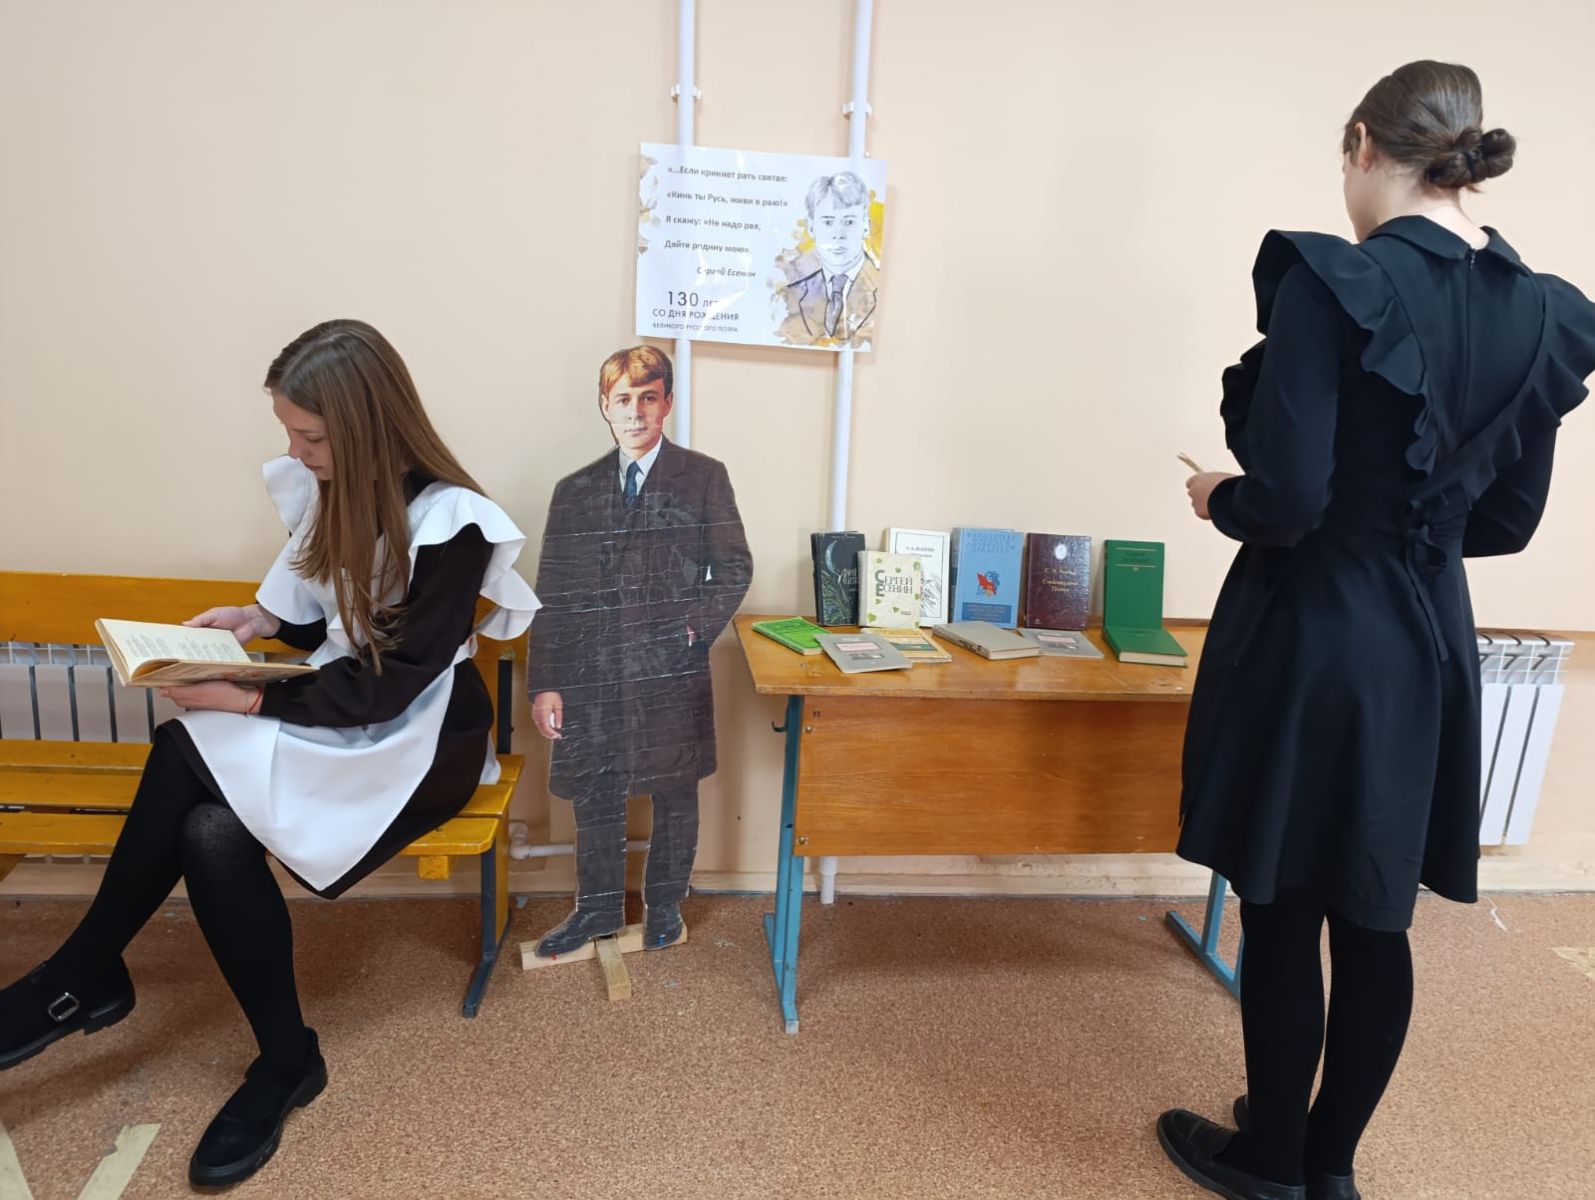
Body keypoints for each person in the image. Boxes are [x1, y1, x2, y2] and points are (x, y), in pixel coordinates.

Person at [1159, 62, 1595, 1200]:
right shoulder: (1545, 310)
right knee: (1373, 913)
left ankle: (1269, 1161)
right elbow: (1505, 523)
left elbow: (1287, 501)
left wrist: (1219, 496)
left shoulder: (1330, 278)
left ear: (1362, 143)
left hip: (1313, 635)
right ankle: (1330, 1167)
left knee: (1281, 905)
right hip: (1429, 642)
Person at [0, 320, 538, 1187]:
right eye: (290, 431)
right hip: (345, 706)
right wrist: (254, 622)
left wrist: (249, 696)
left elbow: (396, 681)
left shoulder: (454, 523)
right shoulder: (335, 488)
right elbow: (320, 612)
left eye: (310, 436)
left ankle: (82, 975)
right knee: (209, 831)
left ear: (368, 426)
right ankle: (284, 1058)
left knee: (184, 746)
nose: (295, 451)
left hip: (423, 738)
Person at [528, 345, 752, 957]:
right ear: (605, 406)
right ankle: (597, 910)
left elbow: (734, 567)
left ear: (667, 403)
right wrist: (546, 683)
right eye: (623, 400)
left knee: (674, 792)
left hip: (669, 668)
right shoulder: (574, 491)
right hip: (592, 670)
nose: (635, 412)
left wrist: (692, 630)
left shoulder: (703, 477)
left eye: (648, 398)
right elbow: (553, 594)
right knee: (596, 793)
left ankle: (665, 906)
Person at [777, 171, 880, 346]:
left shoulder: (881, 288)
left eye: (849, 222)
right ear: (811, 227)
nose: (838, 234)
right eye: (827, 222)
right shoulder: (793, 293)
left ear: (865, 226)